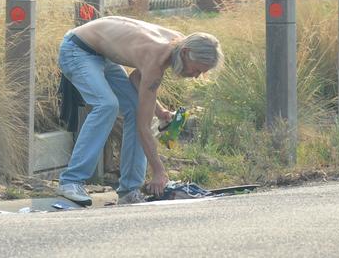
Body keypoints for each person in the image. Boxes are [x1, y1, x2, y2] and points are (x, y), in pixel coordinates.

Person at [55, 15, 223, 206]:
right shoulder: (156, 56)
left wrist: (159, 112)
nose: (195, 76)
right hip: (77, 50)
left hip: (103, 56)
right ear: (186, 52)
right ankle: (71, 181)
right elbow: (144, 127)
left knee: (136, 109)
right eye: (197, 70)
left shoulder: (179, 43)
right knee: (107, 105)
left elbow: (137, 79)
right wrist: (159, 171)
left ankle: (129, 191)